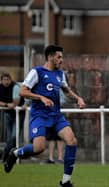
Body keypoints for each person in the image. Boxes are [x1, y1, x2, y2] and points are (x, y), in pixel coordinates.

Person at [3, 45, 86, 187]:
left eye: (62, 57)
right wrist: (40, 97)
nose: (61, 60)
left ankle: (65, 181)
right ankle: (15, 153)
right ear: (50, 57)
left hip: (56, 115)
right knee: (39, 148)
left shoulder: (60, 74)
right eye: (59, 57)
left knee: (72, 141)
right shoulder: (37, 72)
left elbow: (66, 91)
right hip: (39, 115)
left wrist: (78, 98)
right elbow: (23, 92)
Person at [0, 73, 26, 162]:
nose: (6, 81)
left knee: (14, 137)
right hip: (8, 114)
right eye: (4, 80)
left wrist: (8, 104)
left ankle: (4, 157)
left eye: (7, 79)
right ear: (1, 80)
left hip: (19, 114)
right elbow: (10, 105)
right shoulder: (0, 87)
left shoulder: (15, 87)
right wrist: (6, 104)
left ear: (10, 80)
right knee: (10, 138)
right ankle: (11, 158)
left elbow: (16, 102)